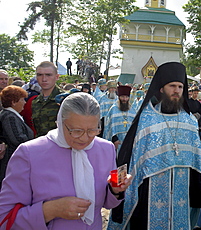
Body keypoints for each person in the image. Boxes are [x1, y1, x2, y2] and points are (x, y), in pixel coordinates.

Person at [0, 92, 132, 229]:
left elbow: (107, 203)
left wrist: (115, 190)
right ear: (60, 123)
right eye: (76, 131)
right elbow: (5, 218)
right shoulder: (29, 153)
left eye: (92, 130)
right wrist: (50, 210)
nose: (84, 138)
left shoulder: (105, 149)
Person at [108, 62, 201, 230]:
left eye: (180, 86)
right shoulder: (147, 119)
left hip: (181, 189)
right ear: (161, 88)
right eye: (172, 86)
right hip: (149, 191)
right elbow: (133, 158)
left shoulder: (189, 121)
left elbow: (197, 162)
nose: (177, 90)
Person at [0, 85, 34, 188]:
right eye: (22, 99)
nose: (24, 102)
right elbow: (17, 139)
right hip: (12, 162)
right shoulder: (10, 117)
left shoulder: (10, 115)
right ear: (14, 102)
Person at [32, 61, 63, 137]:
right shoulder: (35, 102)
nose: (44, 79)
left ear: (57, 77)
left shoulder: (65, 99)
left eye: (48, 75)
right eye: (40, 75)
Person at [104, 85, 136, 152]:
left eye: (126, 97)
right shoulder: (113, 109)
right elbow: (109, 126)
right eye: (122, 97)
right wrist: (114, 139)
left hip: (129, 142)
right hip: (117, 142)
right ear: (119, 97)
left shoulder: (132, 110)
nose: (124, 99)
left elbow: (135, 126)